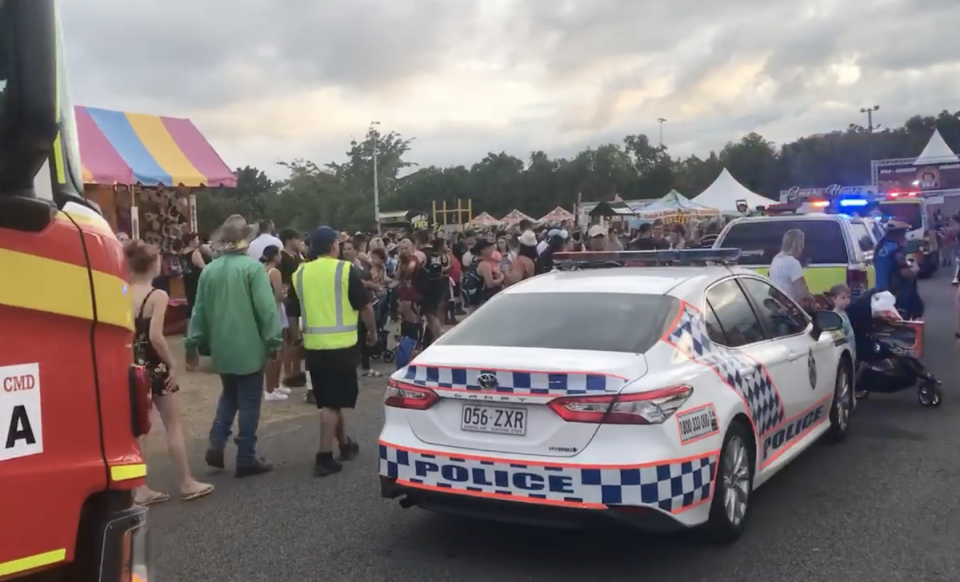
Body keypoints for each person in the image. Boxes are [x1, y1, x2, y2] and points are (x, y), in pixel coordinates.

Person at [186, 215, 282, 478]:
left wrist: (193, 342)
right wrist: (273, 341)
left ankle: (216, 443)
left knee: (229, 395)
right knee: (250, 401)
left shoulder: (209, 270)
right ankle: (246, 456)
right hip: (249, 344)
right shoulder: (252, 270)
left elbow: (199, 311)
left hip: (221, 345)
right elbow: (266, 310)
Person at [127, 240, 214, 504]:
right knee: (172, 424)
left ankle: (139, 487)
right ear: (153, 265)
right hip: (155, 365)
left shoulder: (120, 291)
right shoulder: (158, 296)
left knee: (135, 429)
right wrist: (172, 363)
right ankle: (186, 481)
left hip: (130, 363)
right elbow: (155, 335)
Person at [294, 226, 377, 476]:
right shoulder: (344, 269)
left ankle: (344, 444)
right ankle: (324, 456)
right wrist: (372, 332)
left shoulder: (300, 273)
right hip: (341, 346)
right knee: (331, 404)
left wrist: (294, 337)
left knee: (331, 399)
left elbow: (292, 309)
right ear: (333, 245)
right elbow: (365, 306)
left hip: (313, 347)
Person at [278, 229, 307, 391]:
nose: (300, 242)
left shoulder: (298, 257)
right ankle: (288, 374)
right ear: (290, 240)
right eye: (298, 239)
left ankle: (297, 372)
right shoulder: (283, 258)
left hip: (300, 300)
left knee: (298, 340)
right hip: (290, 301)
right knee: (290, 339)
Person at [261, 245, 290, 402]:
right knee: (278, 349)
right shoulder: (275, 272)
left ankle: (274, 385)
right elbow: (278, 295)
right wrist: (285, 293)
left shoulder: (262, 270)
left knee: (276, 349)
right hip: (276, 310)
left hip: (268, 310)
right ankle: (270, 389)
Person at [875, 221, 921, 317]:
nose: (905, 237)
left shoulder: (881, 246)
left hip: (880, 289)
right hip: (895, 291)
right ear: (898, 234)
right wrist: (914, 270)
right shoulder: (896, 250)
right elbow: (905, 272)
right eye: (903, 234)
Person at [179, 232, 206, 371]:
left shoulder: (182, 254)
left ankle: (190, 351)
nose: (198, 240)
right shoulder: (195, 254)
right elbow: (205, 270)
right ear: (191, 241)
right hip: (197, 286)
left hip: (187, 285)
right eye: (196, 238)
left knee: (190, 313)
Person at [769, 229, 812, 303]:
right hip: (790, 307)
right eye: (801, 244)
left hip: (778, 305)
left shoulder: (776, 259)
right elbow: (801, 292)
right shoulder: (792, 262)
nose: (802, 248)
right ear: (797, 245)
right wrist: (811, 298)